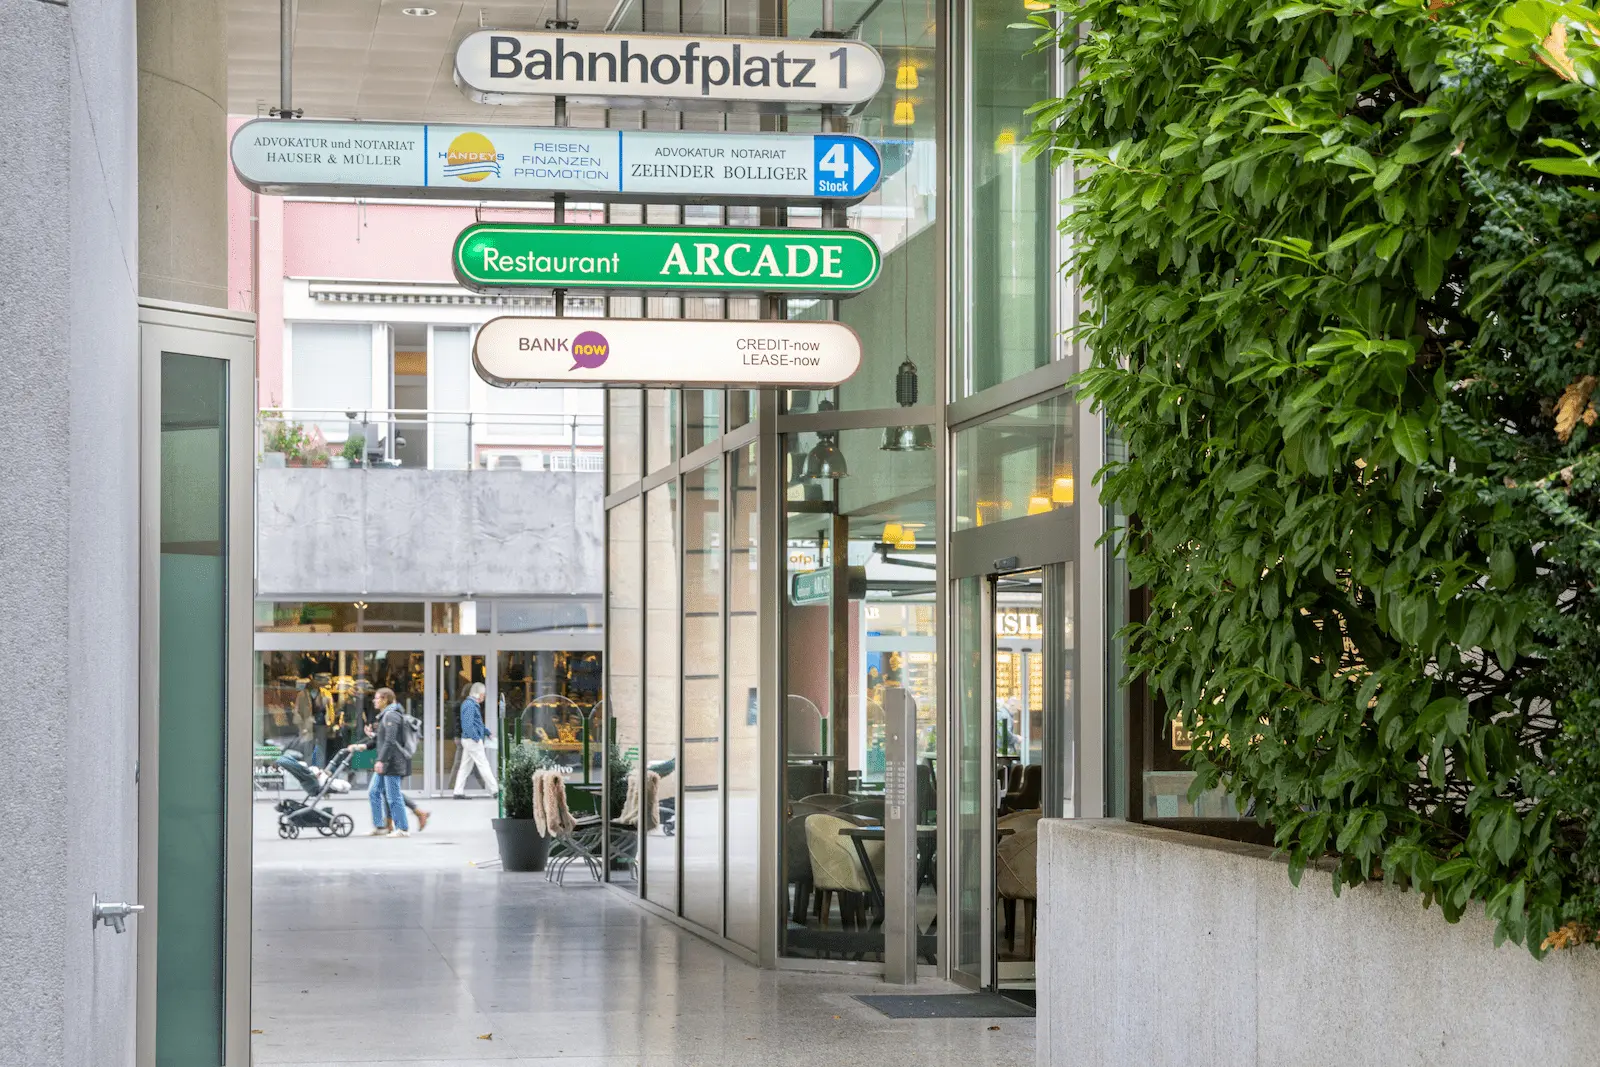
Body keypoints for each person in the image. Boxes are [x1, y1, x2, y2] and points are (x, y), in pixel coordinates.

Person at [351, 688, 427, 835]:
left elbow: (390, 741)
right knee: (374, 791)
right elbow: (382, 740)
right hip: (387, 762)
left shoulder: (392, 716)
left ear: (385, 699)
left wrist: (380, 760)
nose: (374, 700)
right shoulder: (385, 716)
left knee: (393, 796)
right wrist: (364, 744)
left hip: (393, 762)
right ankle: (381, 826)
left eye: (377, 698)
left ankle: (402, 828)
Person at [452, 682, 500, 798]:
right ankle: (495, 790)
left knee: (465, 767)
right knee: (483, 764)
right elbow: (469, 725)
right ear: (478, 694)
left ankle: (458, 792)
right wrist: (476, 738)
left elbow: (476, 724)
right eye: (483, 694)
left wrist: (487, 733)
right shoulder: (470, 705)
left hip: (469, 739)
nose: (484, 697)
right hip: (472, 741)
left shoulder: (469, 704)